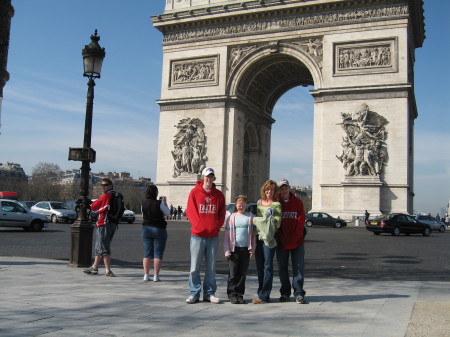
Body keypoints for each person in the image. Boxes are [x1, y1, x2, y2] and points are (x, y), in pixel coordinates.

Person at [185, 167, 226, 304]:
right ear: (202, 178)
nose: (209, 179)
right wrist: (199, 226)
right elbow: (191, 212)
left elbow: (222, 214)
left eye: (211, 176)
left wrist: (216, 226)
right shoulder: (194, 192)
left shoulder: (219, 195)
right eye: (207, 176)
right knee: (194, 267)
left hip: (213, 235)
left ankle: (209, 293)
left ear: (214, 178)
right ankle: (194, 292)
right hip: (197, 235)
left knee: (211, 267)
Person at [276, 179, 308, 304]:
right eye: (281, 188)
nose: (284, 190)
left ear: (289, 188)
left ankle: (299, 293)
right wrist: (280, 236)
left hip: (297, 241)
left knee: (299, 268)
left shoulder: (298, 202)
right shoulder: (276, 203)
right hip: (282, 241)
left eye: (286, 187)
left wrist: (297, 235)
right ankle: (285, 293)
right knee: (282, 269)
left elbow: (301, 220)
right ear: (279, 190)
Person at [252, 179, 282, 304]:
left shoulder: (277, 205)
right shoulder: (259, 203)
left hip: (269, 239)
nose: (269, 191)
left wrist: (262, 221)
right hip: (258, 237)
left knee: (267, 266)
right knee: (260, 267)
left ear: (274, 191)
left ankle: (265, 295)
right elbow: (257, 221)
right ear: (264, 190)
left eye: (272, 189)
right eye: (267, 189)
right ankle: (261, 293)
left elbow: (277, 223)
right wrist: (265, 221)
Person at [223, 195, 256, 304]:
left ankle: (240, 294)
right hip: (233, 249)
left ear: (246, 205)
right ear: (236, 205)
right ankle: (232, 294)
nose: (241, 205)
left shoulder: (250, 216)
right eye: (238, 203)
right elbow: (226, 236)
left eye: (243, 203)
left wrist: (252, 249)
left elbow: (253, 235)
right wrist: (227, 250)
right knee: (233, 274)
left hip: (245, 249)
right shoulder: (231, 217)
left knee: (242, 273)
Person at [83, 178, 119, 277]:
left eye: (105, 185)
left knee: (104, 247)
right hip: (113, 223)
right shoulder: (116, 195)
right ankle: (95, 266)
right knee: (100, 245)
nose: (103, 187)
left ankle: (108, 270)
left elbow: (94, 206)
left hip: (104, 223)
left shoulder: (107, 195)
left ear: (110, 185)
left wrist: (90, 204)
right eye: (102, 185)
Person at [141, 185, 170, 282]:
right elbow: (168, 213)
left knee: (147, 253)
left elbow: (143, 214)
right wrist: (165, 204)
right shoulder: (160, 203)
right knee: (158, 253)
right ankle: (156, 276)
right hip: (158, 229)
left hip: (146, 228)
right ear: (156, 193)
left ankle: (146, 275)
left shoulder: (143, 203)